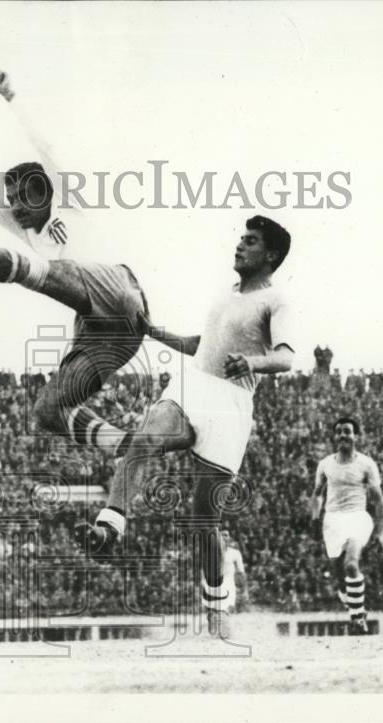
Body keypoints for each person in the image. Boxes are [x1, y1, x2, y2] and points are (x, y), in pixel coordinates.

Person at [0, 70, 167, 457]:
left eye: (22, 198)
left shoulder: (70, 203)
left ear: (45, 192)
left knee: (60, 271)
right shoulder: (26, 230)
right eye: (11, 199)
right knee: (48, 409)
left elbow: (46, 146)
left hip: (118, 291)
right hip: (104, 331)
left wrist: (12, 97)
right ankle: (128, 445)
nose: (15, 208)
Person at [75, 214, 295, 638]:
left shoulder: (277, 301)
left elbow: (285, 357)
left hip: (231, 405)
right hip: (193, 384)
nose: (239, 246)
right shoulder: (225, 296)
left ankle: (218, 609)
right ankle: (109, 527)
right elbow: (204, 345)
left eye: (249, 242)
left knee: (201, 524)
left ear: (270, 255)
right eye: (240, 238)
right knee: (143, 440)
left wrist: (252, 362)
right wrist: (156, 333)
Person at [309, 417, 383, 636]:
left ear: (355, 436)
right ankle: (352, 602)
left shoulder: (366, 464)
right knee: (341, 581)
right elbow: (317, 494)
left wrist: (381, 531)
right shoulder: (325, 464)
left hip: (357, 517)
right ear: (335, 436)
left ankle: (357, 619)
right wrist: (315, 517)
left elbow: (379, 500)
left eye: (348, 431)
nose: (343, 435)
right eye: (339, 431)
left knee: (351, 565)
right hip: (333, 520)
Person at [221, 530, 247, 613]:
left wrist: (243, 586)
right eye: (222, 536)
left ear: (229, 539)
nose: (224, 538)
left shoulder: (235, 553)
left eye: (226, 535)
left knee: (228, 607)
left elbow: (241, 570)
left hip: (229, 582)